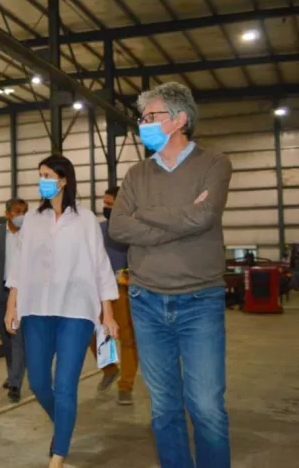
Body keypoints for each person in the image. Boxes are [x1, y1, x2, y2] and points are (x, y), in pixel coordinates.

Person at [108, 82, 232, 468]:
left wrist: (144, 214)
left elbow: (204, 216)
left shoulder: (214, 164)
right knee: (163, 407)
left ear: (179, 120)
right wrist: (181, 219)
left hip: (200, 300)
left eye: (151, 116)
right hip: (146, 300)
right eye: (141, 117)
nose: (142, 124)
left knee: (206, 406)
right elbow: (118, 227)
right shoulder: (136, 174)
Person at [4, 154, 119, 468]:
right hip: (36, 309)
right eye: (40, 174)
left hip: (76, 309)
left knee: (65, 385)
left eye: (47, 175)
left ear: (64, 180)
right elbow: (19, 265)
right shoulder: (32, 220)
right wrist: (12, 305)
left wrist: (108, 313)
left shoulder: (85, 220)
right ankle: (64, 424)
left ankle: (59, 454)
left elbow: (100, 265)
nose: (41, 180)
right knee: (39, 383)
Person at [87, 186, 139, 405]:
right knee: (93, 334)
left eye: (110, 204)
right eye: (105, 203)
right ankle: (109, 368)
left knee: (128, 340)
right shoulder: (98, 229)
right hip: (98, 291)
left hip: (123, 290)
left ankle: (125, 386)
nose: (106, 207)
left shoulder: (134, 230)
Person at [0, 197, 28, 402]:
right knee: (6, 339)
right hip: (0, 291)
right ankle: (12, 373)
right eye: (18, 211)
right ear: (7, 214)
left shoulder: (30, 234)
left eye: (24, 212)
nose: (22, 216)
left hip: (21, 292)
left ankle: (15, 383)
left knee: (17, 338)